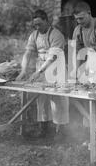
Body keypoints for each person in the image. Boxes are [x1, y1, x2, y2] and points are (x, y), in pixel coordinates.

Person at [16, 9, 69, 138]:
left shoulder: (56, 35)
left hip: (56, 69)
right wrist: (23, 70)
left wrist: (38, 72)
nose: (37, 27)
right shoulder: (34, 35)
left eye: (40, 24)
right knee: (42, 99)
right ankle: (44, 128)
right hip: (41, 67)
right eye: (35, 25)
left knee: (58, 99)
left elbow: (52, 58)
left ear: (47, 21)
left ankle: (61, 130)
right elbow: (28, 53)